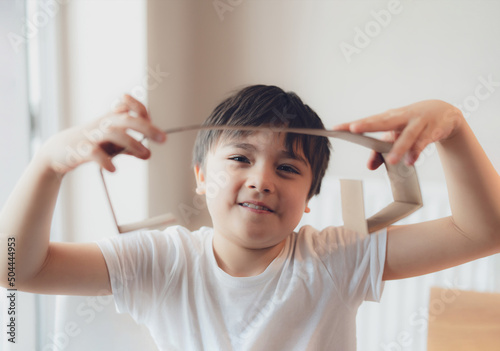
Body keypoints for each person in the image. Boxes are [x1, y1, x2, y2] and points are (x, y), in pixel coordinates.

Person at [1, 85, 499, 350]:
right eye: (240, 158)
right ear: (201, 176)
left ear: (309, 200)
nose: (262, 179)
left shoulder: (336, 257)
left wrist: (452, 125)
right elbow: (12, 269)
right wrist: (48, 163)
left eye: (287, 168)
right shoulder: (161, 260)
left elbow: (486, 230)